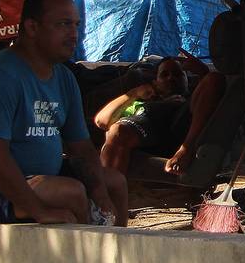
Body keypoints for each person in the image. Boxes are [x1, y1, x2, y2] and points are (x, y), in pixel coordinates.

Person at [0, 0, 128, 230]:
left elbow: (81, 148)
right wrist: (39, 210)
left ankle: (117, 259)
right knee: (70, 192)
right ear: (32, 27)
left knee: (114, 182)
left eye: (76, 25)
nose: (73, 34)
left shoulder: (64, 78)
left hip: (35, 177)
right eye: (63, 25)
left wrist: (100, 194)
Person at [96, 54, 227, 176]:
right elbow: (102, 121)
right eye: (164, 75)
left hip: (181, 131)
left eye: (178, 74)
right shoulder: (141, 101)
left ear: (187, 80)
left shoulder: (192, 99)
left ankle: (187, 150)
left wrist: (203, 72)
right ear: (155, 82)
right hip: (145, 134)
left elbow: (212, 87)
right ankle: (109, 192)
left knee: (214, 78)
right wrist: (134, 93)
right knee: (117, 130)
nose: (171, 78)